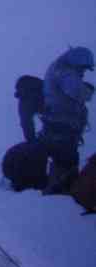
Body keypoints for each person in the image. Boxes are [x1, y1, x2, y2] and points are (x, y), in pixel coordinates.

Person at [39, 46, 94, 195]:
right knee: (66, 160)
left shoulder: (59, 69)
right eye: (82, 68)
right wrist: (88, 90)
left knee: (63, 160)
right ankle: (58, 193)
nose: (83, 72)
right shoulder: (65, 72)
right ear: (77, 62)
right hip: (62, 128)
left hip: (58, 126)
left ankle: (57, 189)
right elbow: (76, 91)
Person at [14, 75, 45, 143]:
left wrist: (31, 141)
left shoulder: (25, 100)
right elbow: (26, 122)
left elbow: (26, 123)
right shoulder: (47, 88)